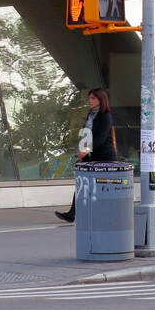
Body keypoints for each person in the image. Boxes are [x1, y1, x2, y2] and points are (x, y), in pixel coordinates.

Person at [55, 87, 116, 223]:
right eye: (89, 98)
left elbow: (101, 138)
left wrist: (87, 150)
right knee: (82, 183)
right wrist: (82, 150)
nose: (90, 101)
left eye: (93, 98)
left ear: (101, 100)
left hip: (104, 156)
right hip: (89, 155)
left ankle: (107, 214)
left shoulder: (106, 116)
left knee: (102, 187)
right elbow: (86, 133)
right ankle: (72, 214)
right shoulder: (90, 115)